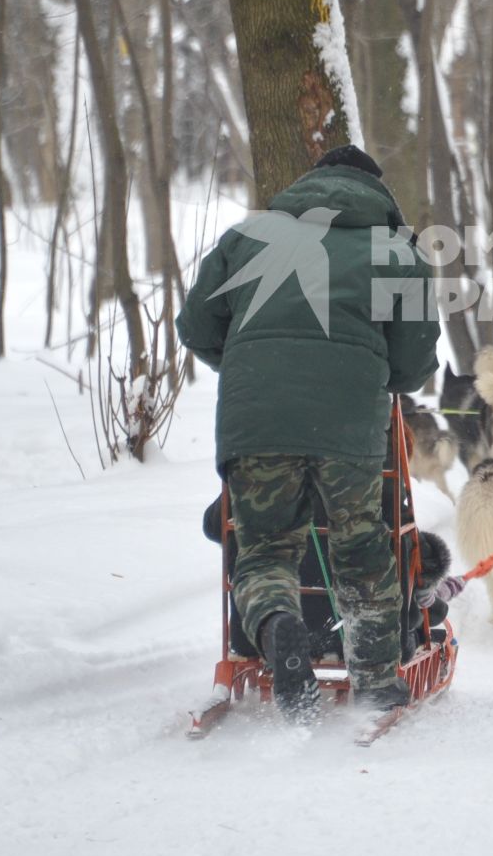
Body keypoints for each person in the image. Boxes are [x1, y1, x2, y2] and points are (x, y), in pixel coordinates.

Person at [177, 145, 440, 720]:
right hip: (347, 424)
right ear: (378, 193)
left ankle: (278, 627)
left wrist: (251, 363)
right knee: (361, 545)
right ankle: (374, 680)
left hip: (254, 420)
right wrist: (372, 373)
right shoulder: (396, 250)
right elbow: (416, 363)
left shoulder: (248, 238)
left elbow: (196, 325)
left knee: (265, 545)